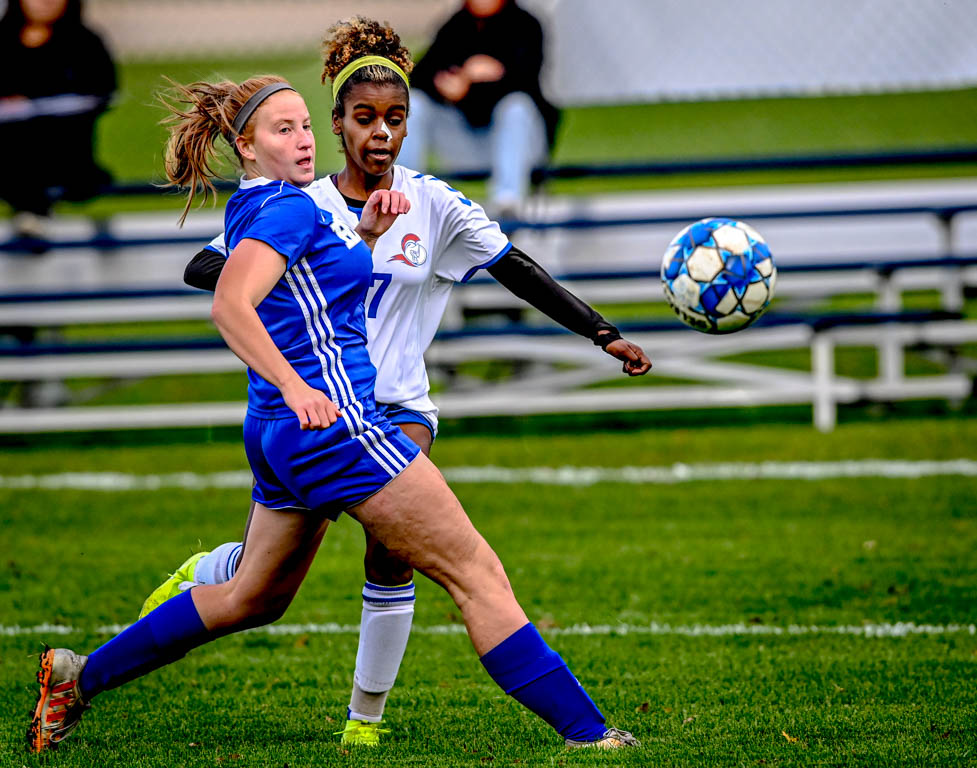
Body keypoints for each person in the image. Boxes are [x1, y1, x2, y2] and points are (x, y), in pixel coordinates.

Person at [26, 72, 640, 754]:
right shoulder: (290, 211)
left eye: (305, 126)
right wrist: (295, 385)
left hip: (283, 436)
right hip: (335, 428)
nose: (302, 140)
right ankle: (591, 736)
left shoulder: (263, 205)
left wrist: (365, 239)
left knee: (253, 598)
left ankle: (76, 679)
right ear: (246, 147)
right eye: (282, 130)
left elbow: (310, 300)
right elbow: (230, 305)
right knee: (476, 574)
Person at [398, 0, 559, 218]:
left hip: (520, 148)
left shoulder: (526, 25)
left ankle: (508, 206)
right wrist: (455, 85)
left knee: (516, 107)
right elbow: (418, 76)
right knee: (414, 104)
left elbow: (527, 84)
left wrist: (479, 84)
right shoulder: (456, 25)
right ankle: (400, 197)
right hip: (466, 143)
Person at [0, 0, 115, 242]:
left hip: (66, 151)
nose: (45, 2)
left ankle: (32, 213)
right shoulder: (5, 41)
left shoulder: (85, 42)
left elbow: (103, 90)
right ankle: (31, 213)